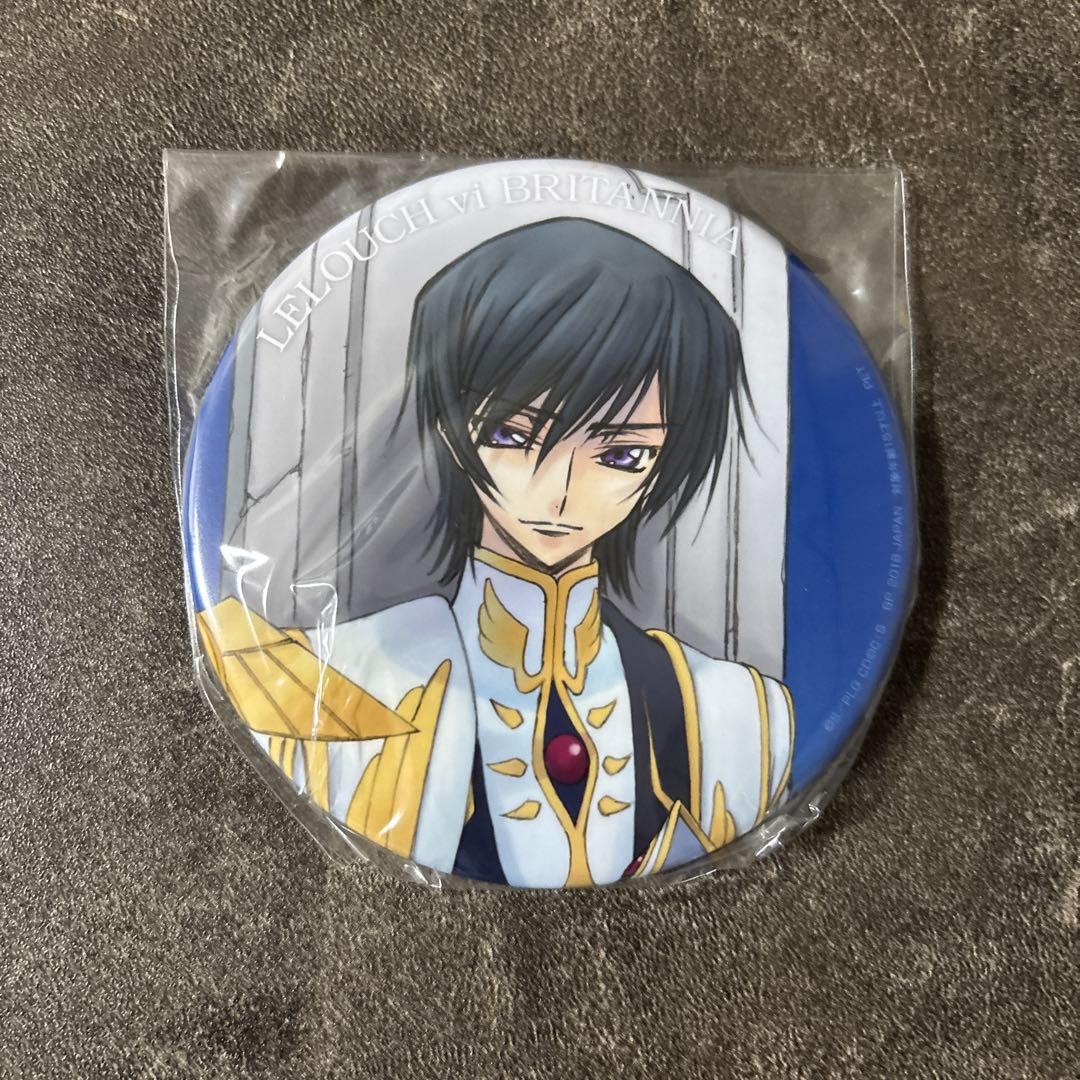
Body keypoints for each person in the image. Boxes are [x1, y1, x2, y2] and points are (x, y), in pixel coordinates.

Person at [199, 218, 793, 887]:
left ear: (665, 462)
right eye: (513, 435)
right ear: (451, 431)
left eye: (622, 454)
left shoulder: (737, 714)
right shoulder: (338, 688)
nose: (560, 493)